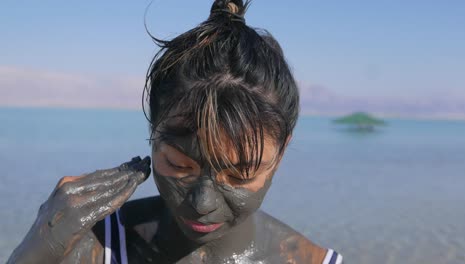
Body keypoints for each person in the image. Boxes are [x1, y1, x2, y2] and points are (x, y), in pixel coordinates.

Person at [8, 1, 343, 263]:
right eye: (180, 166)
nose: (202, 203)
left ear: (281, 154)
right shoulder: (97, 247)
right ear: (153, 134)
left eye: (239, 176)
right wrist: (38, 250)